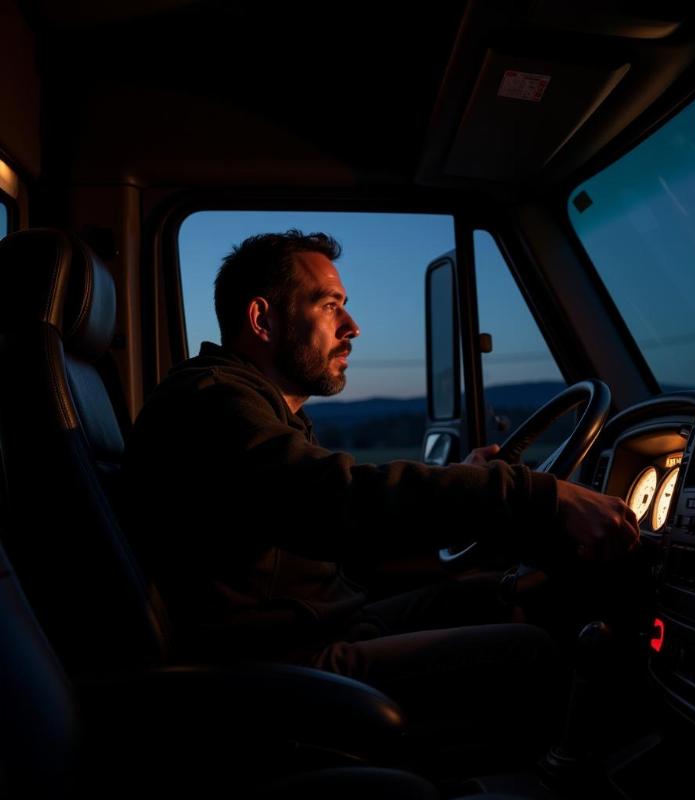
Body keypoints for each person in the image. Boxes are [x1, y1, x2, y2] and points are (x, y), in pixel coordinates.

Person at [123, 230, 639, 750]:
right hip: (276, 664)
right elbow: (341, 498)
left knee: (495, 593)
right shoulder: (212, 403)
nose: (352, 327)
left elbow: (333, 514)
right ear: (263, 320)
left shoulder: (255, 407)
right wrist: (537, 495)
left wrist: (469, 480)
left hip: (316, 629)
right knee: (530, 650)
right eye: (330, 306)